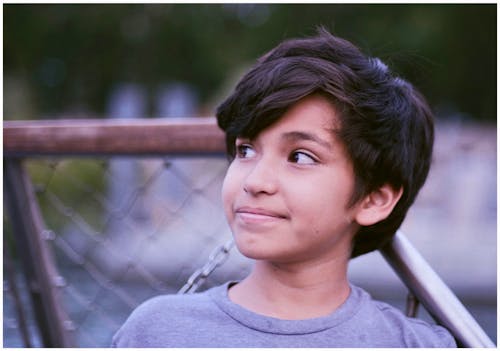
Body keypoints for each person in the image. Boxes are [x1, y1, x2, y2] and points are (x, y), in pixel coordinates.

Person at [112, 28, 456, 347]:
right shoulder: (158, 330)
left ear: (373, 199)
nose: (255, 181)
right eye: (245, 150)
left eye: (300, 157)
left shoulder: (412, 344)